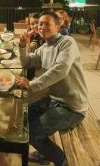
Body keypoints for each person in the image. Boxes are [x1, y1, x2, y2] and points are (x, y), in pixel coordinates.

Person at [17, 10, 88, 166]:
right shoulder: (45, 47)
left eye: (47, 24)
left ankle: (61, 160)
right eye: (40, 24)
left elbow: (60, 69)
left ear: (58, 25)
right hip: (54, 100)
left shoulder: (67, 42)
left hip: (72, 107)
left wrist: (32, 84)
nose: (42, 27)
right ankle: (44, 151)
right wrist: (22, 45)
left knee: (34, 133)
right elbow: (26, 62)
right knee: (22, 118)